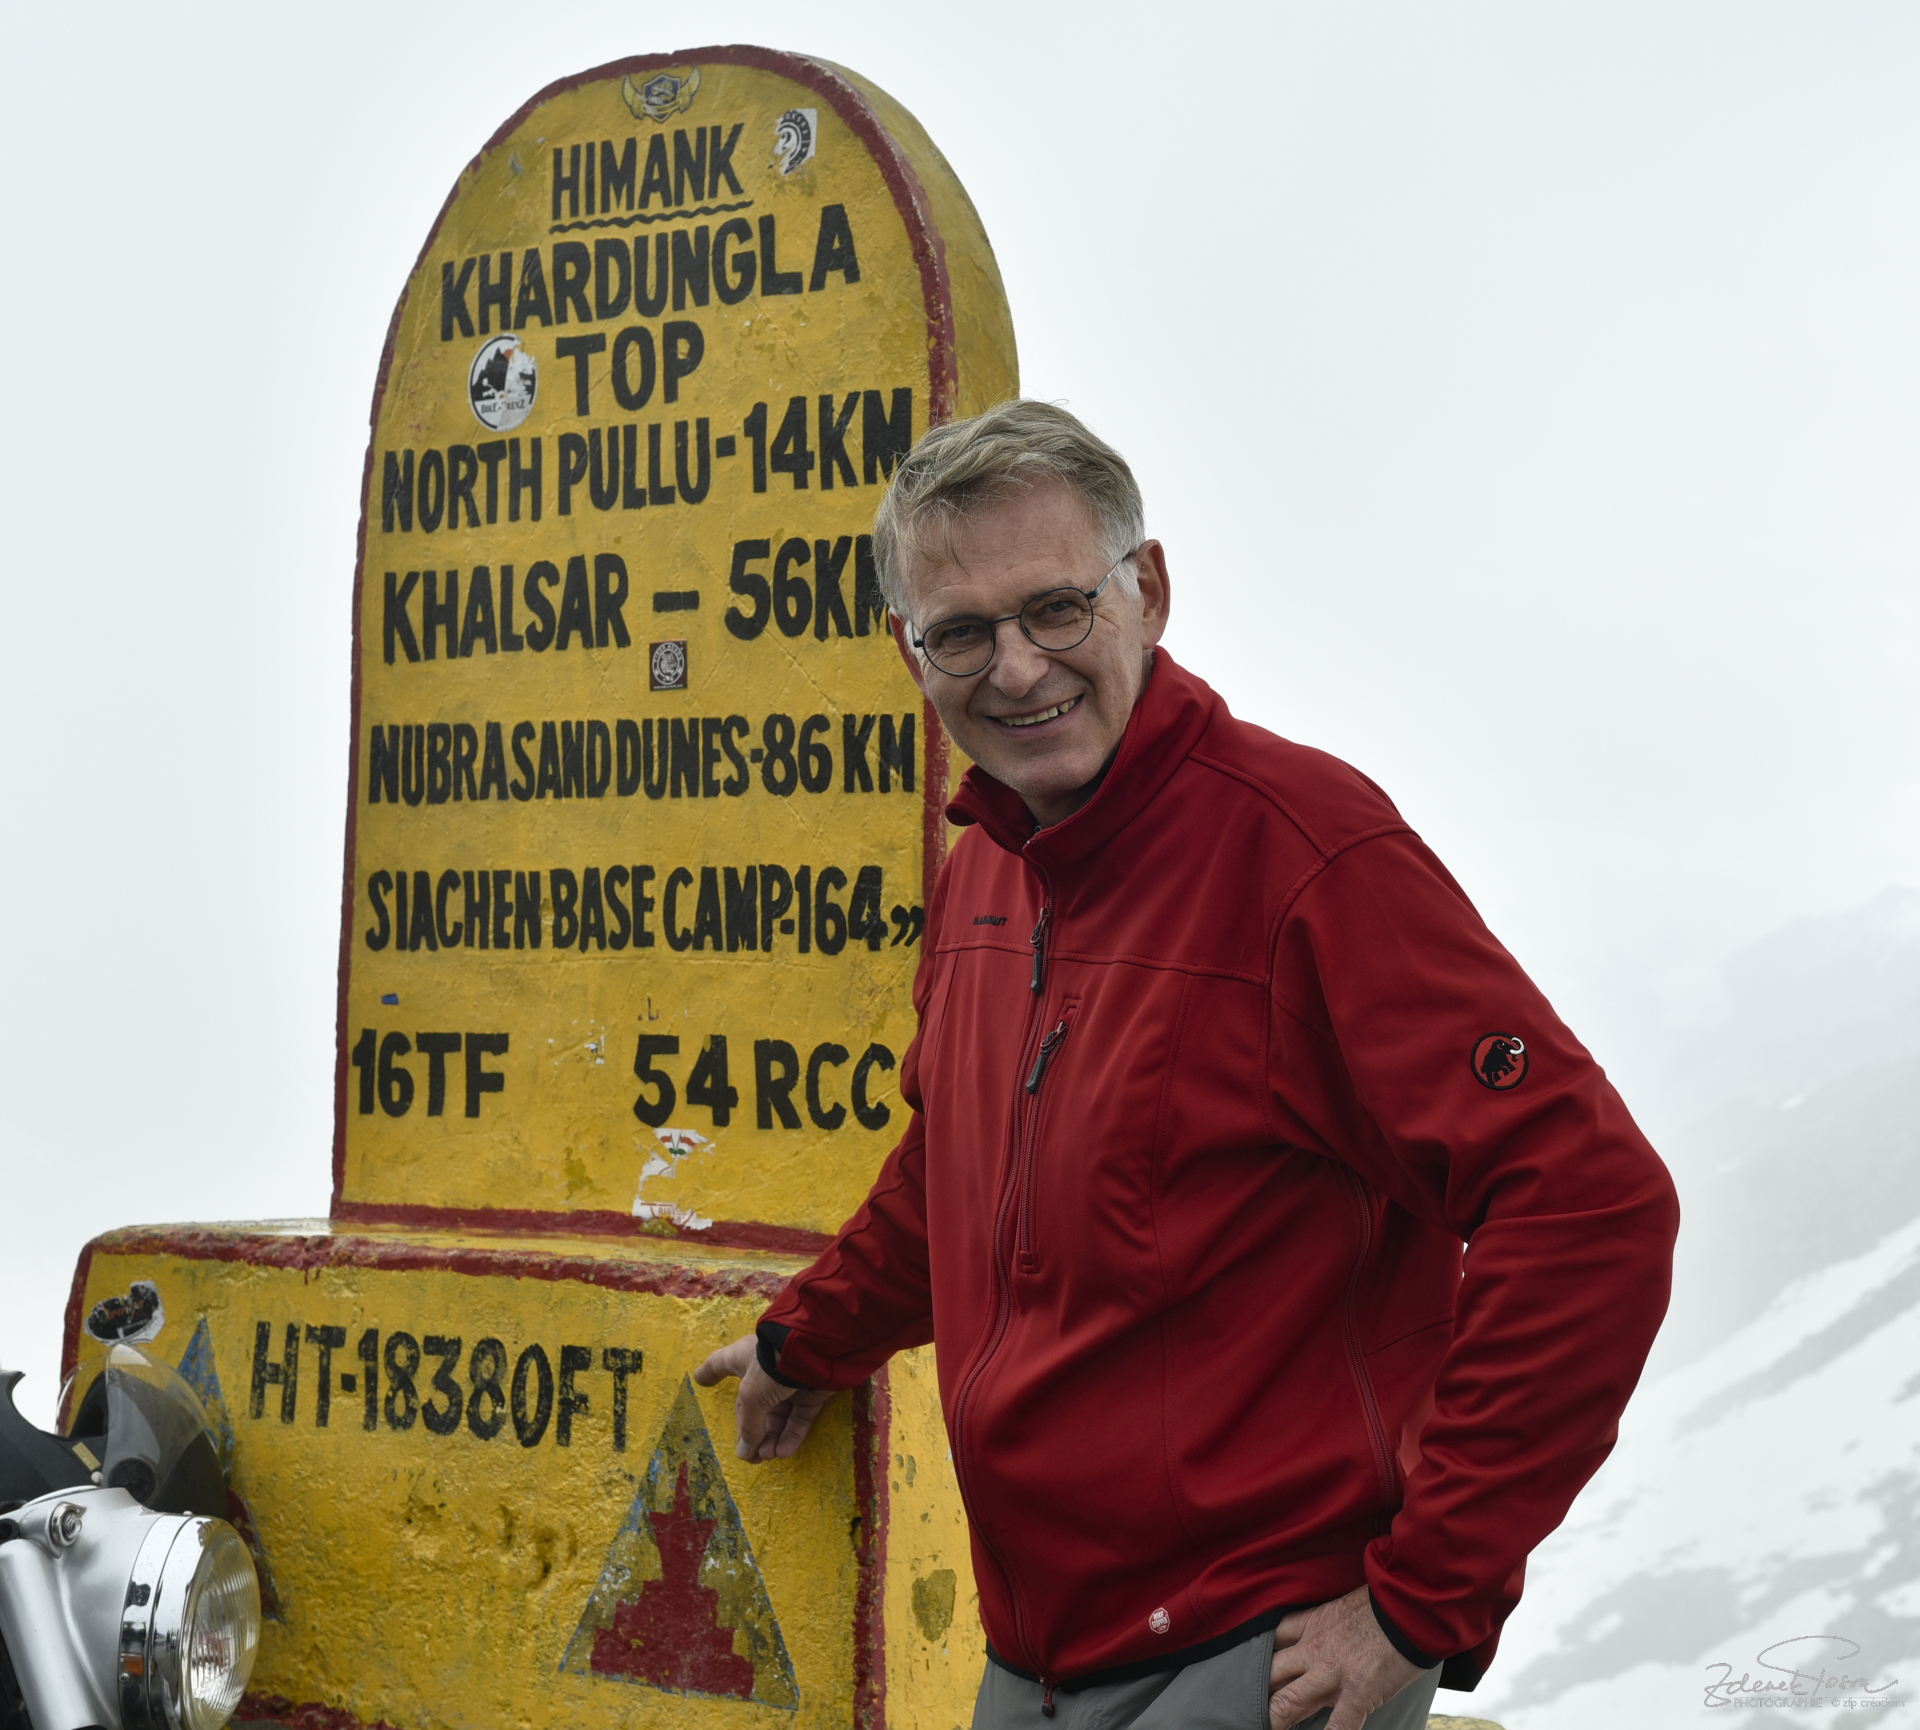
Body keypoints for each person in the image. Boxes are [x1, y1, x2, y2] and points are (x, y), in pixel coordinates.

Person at [696, 400, 1679, 1730]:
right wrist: (808, 1343)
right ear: (906, 651)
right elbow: (957, 1170)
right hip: (1033, 1652)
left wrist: (1420, 1604)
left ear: (1147, 590)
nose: (1018, 669)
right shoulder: (988, 867)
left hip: (1258, 1650)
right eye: (962, 633)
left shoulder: (1307, 854)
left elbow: (1591, 1203)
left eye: (1056, 609)